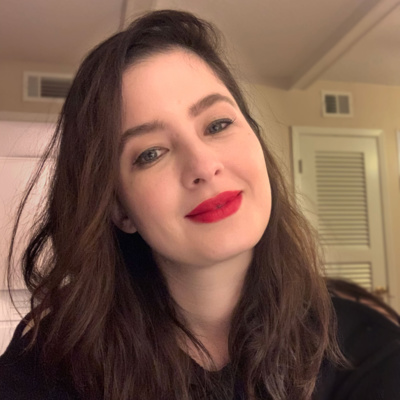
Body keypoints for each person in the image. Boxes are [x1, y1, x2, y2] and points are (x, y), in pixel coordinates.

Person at [0, 9, 399, 400]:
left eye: (217, 125)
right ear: (119, 209)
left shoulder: (368, 348)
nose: (204, 166)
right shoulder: (52, 357)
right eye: (151, 153)